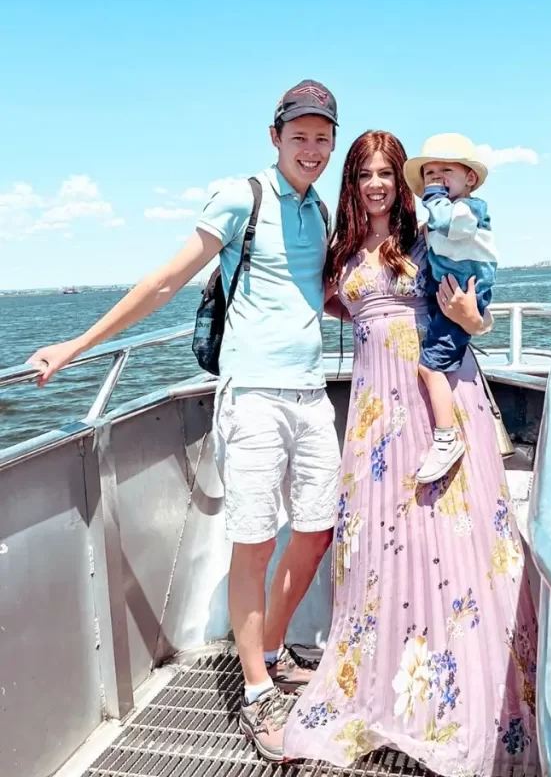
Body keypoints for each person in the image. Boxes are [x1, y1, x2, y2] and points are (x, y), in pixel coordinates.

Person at [27, 80, 343, 763]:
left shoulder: (321, 210)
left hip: (312, 396)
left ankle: (272, 649)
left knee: (315, 534)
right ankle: (259, 692)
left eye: (324, 138)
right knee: (255, 542)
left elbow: (321, 295)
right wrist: (77, 346)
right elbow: (166, 281)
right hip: (253, 396)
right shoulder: (241, 197)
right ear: (275, 136)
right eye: (301, 136)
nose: (312, 149)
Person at [283, 131, 538, 777]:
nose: (375, 184)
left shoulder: (426, 240)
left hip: (434, 406)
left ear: (402, 182)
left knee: (450, 544)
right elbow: (347, 305)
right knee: (382, 550)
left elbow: (475, 310)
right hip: (373, 421)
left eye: (385, 174)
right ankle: (389, 684)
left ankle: (458, 697)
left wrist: (473, 320)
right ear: (354, 183)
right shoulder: (344, 249)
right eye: (365, 173)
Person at [403, 133, 498, 484]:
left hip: (463, 298)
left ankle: (446, 438)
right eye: (430, 174)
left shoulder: (468, 211)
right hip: (447, 299)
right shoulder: (435, 224)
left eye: (446, 171)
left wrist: (473, 319)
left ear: (469, 178)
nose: (437, 180)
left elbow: (449, 222)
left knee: (430, 368)